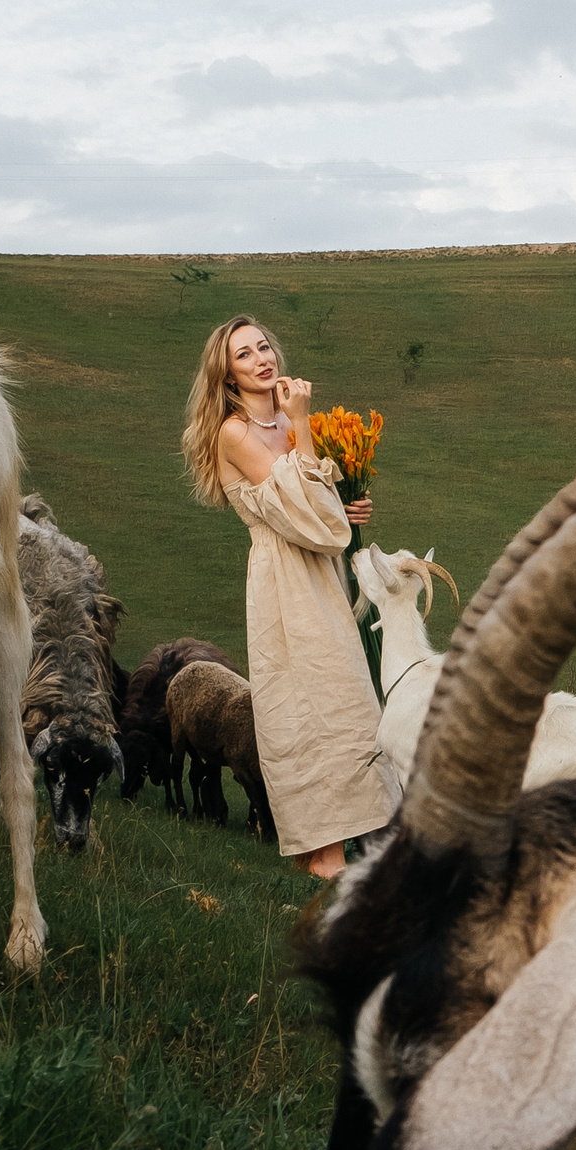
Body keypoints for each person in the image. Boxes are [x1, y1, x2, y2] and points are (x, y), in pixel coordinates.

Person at [183, 316, 397, 879]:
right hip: (286, 585)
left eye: (263, 346)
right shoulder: (235, 432)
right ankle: (321, 855)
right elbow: (305, 512)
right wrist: (302, 422)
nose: (260, 358)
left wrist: (352, 508)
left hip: (325, 574)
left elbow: (325, 515)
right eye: (243, 354)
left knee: (350, 703)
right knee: (306, 707)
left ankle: (366, 846)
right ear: (227, 375)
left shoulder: (287, 423)